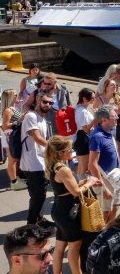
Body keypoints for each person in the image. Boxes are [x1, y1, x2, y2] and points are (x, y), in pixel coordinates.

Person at [45, 135, 100, 274]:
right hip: (69, 212)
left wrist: (84, 182)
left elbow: (67, 188)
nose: (72, 151)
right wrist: (89, 183)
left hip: (59, 208)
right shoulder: (63, 169)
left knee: (60, 246)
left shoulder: (53, 165)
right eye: (69, 150)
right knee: (75, 247)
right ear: (60, 152)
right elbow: (75, 192)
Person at [20, 91, 53, 224]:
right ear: (38, 101)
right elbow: (37, 137)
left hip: (40, 161)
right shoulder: (31, 116)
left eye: (51, 103)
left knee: (40, 194)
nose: (48, 105)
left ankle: (38, 219)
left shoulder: (43, 118)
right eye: (45, 102)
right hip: (31, 162)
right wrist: (55, 147)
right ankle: (31, 224)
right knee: (38, 195)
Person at [2, 88, 25, 190]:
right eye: (15, 95)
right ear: (11, 97)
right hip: (9, 137)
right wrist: (19, 121)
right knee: (12, 160)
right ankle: (14, 182)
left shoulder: (13, 107)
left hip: (13, 137)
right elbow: (5, 126)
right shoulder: (8, 110)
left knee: (15, 159)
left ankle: (16, 179)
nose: (18, 96)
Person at [72, 88, 95, 176]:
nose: (94, 99)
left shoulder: (81, 109)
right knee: (84, 167)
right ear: (85, 99)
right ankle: (81, 186)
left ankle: (80, 184)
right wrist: (95, 120)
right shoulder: (82, 111)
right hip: (83, 138)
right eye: (92, 98)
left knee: (82, 166)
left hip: (82, 138)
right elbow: (86, 129)